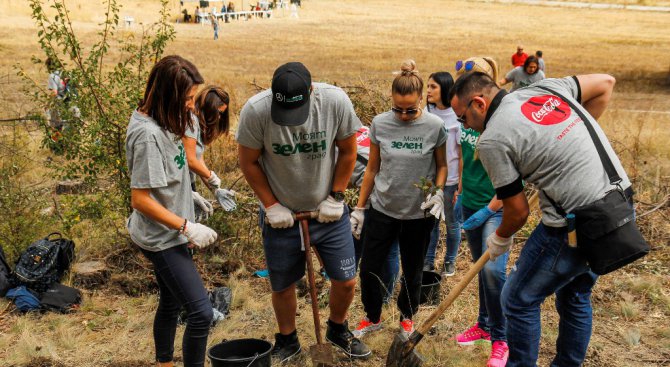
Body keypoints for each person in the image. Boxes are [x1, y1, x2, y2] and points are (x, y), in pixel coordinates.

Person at [449, 71, 630, 367]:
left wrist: (500, 238)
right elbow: (605, 83)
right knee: (574, 294)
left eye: (463, 118)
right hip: (618, 204)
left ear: (479, 104)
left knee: (517, 299)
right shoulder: (546, 88)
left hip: (575, 224)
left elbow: (517, 212)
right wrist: (568, 147)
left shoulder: (493, 139)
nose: (464, 125)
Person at [236, 62, 370, 362]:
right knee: (283, 283)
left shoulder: (334, 102)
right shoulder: (256, 111)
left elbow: (348, 151)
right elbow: (248, 163)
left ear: (311, 91)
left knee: (346, 280)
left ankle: (337, 328)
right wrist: (271, 205)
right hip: (282, 215)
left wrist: (336, 197)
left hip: (327, 211)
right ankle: (288, 339)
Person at [126, 55, 218, 367]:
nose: (192, 105)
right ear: (168, 95)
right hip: (161, 237)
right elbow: (140, 199)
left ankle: (164, 363)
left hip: (172, 228)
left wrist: (187, 193)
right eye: (188, 98)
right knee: (201, 313)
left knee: (169, 301)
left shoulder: (166, 120)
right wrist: (185, 226)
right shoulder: (148, 135)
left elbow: (164, 176)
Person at [350, 60, 447, 338]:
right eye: (398, 109)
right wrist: (359, 208)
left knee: (413, 270)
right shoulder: (380, 124)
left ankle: (407, 318)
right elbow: (372, 168)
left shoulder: (435, 126)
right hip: (383, 209)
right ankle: (372, 317)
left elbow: (442, 166)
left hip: (419, 213)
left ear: (422, 100)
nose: (404, 116)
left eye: (411, 110)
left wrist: (438, 192)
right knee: (368, 267)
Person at [452, 57, 510, 367]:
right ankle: (484, 325)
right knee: (479, 269)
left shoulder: (500, 122)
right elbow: (463, 155)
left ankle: (501, 340)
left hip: (498, 208)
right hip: (472, 201)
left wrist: (488, 210)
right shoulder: (467, 116)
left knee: (492, 272)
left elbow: (514, 183)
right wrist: (461, 190)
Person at [422, 71, 462, 277]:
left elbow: (461, 152)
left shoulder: (456, 115)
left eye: (433, 87)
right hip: (430, 180)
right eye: (427, 86)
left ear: (445, 89)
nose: (428, 91)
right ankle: (428, 262)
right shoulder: (426, 112)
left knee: (452, 223)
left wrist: (460, 183)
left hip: (451, 179)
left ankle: (450, 262)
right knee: (432, 222)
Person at [182, 86, 237, 222]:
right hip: (179, 184)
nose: (219, 117)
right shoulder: (191, 121)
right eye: (218, 112)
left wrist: (215, 189)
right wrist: (211, 176)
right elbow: (190, 160)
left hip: (188, 182)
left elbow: (198, 159)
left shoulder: (197, 126)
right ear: (209, 107)